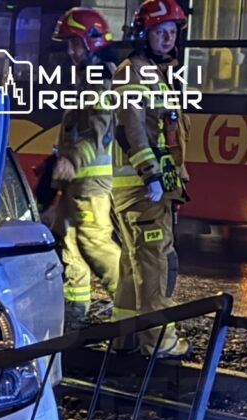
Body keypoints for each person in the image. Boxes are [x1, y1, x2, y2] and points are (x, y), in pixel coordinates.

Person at [111, 0, 192, 358]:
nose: (167, 38)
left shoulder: (156, 73)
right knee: (156, 264)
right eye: (160, 31)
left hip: (149, 188)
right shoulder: (135, 72)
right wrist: (152, 175)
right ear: (145, 34)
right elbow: (132, 131)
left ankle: (125, 337)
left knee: (134, 266)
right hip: (146, 189)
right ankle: (160, 342)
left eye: (172, 32)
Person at [48, 7, 121, 332]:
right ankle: (74, 313)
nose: (70, 51)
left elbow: (98, 131)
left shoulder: (100, 79)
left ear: (92, 42)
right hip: (78, 183)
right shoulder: (86, 77)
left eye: (75, 44)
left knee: (95, 245)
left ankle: (133, 308)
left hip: (91, 185)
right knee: (69, 244)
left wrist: (71, 160)